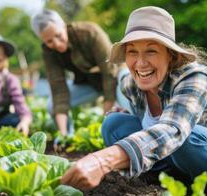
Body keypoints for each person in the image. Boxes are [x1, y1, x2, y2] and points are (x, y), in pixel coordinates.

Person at [61, 6, 207, 196]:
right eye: (132, 52)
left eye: (151, 51)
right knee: (113, 124)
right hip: (176, 155)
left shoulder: (193, 76)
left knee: (186, 137)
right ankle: (162, 178)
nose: (140, 63)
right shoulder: (129, 84)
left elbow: (174, 129)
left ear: (171, 55)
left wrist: (102, 160)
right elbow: (145, 128)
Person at [31, 9, 132, 143]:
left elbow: (109, 72)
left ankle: (137, 132)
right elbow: (58, 88)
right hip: (89, 84)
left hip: (114, 77)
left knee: (127, 87)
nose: (56, 43)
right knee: (51, 105)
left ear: (63, 25)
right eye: (49, 41)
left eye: (58, 35)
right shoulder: (48, 52)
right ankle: (68, 136)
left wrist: (104, 121)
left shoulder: (89, 32)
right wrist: (62, 133)